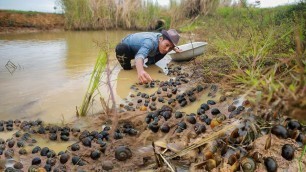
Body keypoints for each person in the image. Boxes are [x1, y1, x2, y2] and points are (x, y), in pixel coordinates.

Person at [115, 29, 182, 84]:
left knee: (163, 51)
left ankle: (150, 63)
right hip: (129, 49)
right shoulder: (150, 42)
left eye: (170, 47)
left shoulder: (163, 41)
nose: (167, 49)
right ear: (160, 39)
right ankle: (128, 68)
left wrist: (174, 48)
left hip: (146, 48)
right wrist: (140, 71)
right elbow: (139, 56)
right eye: (167, 45)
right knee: (121, 50)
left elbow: (169, 45)